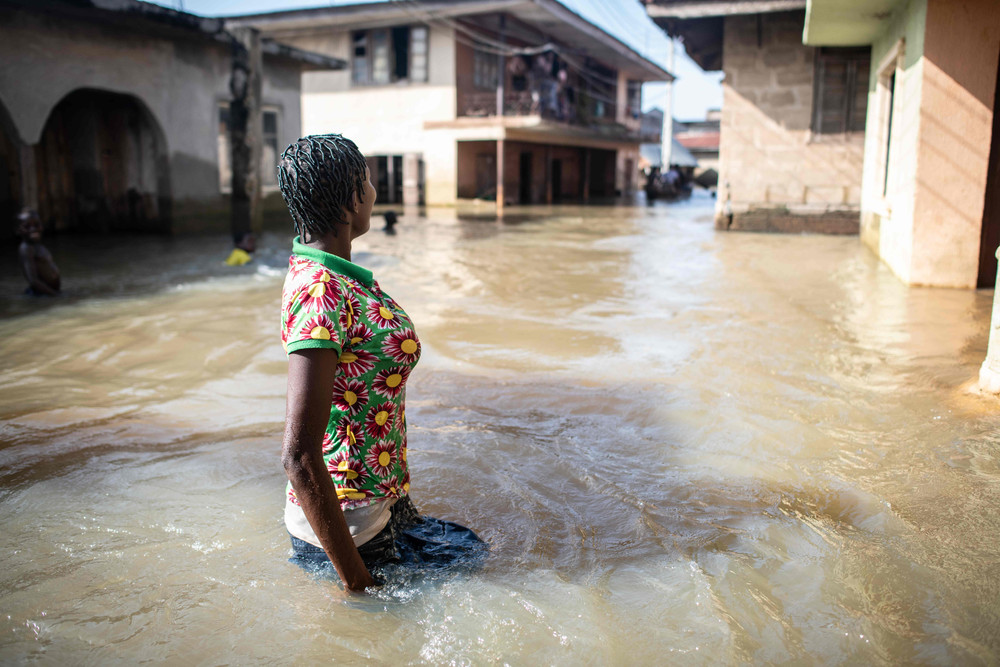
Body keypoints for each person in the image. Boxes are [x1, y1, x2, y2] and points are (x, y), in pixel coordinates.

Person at [276, 134, 483, 592]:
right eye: (367, 182)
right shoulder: (320, 292)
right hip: (353, 531)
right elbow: (298, 455)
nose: (373, 192)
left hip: (379, 505)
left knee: (477, 553)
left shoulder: (335, 275)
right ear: (352, 201)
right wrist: (358, 585)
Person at [17, 208, 61, 296]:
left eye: (36, 225)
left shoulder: (36, 245)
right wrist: (56, 296)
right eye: (27, 226)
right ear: (19, 230)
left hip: (48, 293)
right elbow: (33, 280)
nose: (33, 229)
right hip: (39, 294)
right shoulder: (26, 248)